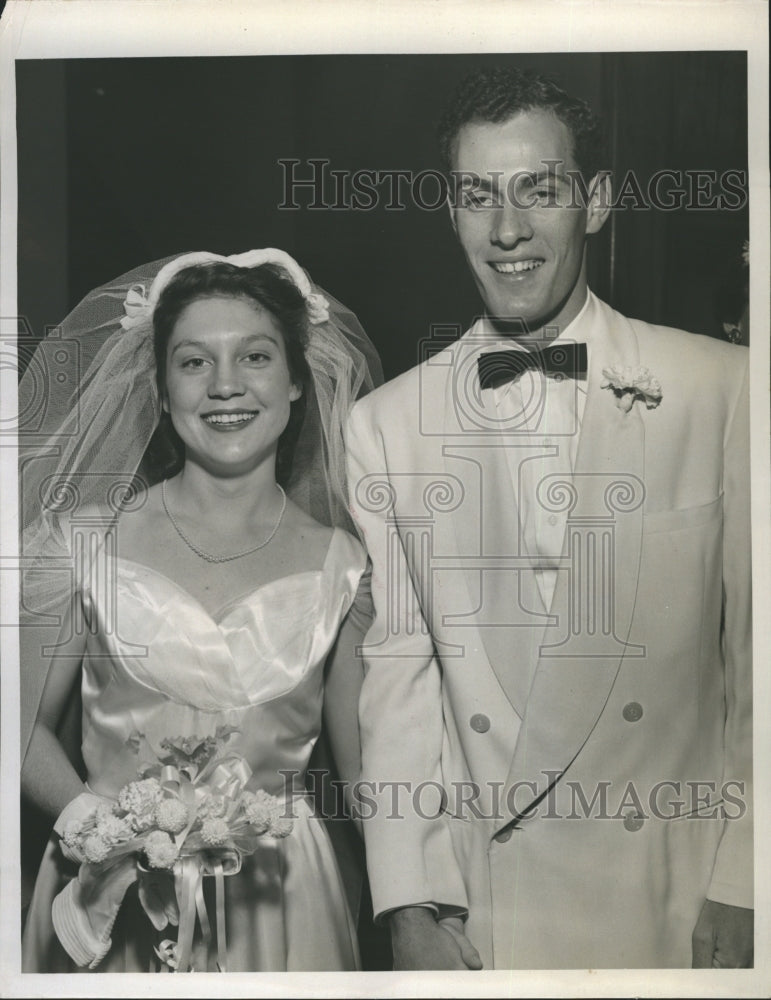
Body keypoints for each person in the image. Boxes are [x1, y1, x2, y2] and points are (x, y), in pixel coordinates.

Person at [345, 68, 752, 969]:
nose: (507, 230)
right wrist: (406, 900)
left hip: (675, 893)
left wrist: (747, 878)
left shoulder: (721, 388)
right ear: (450, 213)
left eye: (540, 190)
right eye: (477, 196)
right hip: (490, 911)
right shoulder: (385, 424)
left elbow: (754, 665)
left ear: (596, 202)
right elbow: (398, 679)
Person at [19, 249, 381, 972]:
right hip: (106, 892)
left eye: (254, 357)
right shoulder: (81, 543)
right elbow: (13, 727)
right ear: (158, 387)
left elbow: (368, 781)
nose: (224, 386)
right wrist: (100, 829)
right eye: (192, 363)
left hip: (285, 904)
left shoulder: (346, 566)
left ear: (296, 381)